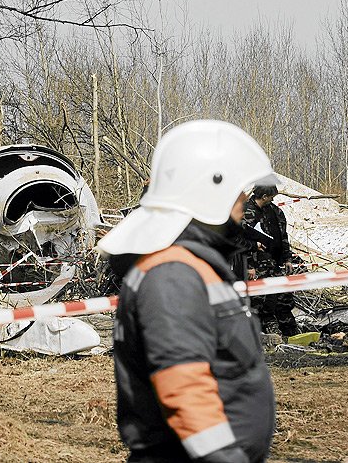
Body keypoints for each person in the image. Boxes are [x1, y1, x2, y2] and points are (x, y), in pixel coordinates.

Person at [99, 120, 276, 463]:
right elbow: (183, 385)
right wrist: (225, 457)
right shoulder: (173, 275)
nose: (244, 201)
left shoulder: (187, 264)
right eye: (239, 191)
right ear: (211, 189)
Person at [242, 185, 299, 337]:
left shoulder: (275, 211)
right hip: (256, 265)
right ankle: (258, 335)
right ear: (265, 195)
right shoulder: (245, 212)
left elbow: (283, 236)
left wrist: (287, 258)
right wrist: (249, 266)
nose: (273, 199)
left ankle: (290, 334)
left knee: (284, 297)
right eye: (272, 196)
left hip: (275, 263)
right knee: (258, 301)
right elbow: (240, 241)